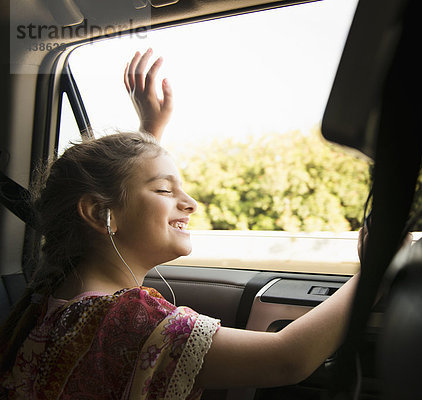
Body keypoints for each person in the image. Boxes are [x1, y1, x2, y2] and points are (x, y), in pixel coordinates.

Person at [0, 49, 361, 399]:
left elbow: (123, 192)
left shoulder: (45, 303)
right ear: (98, 213)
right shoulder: (125, 319)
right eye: (164, 189)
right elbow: (286, 359)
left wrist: (149, 132)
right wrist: (377, 264)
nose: (191, 203)